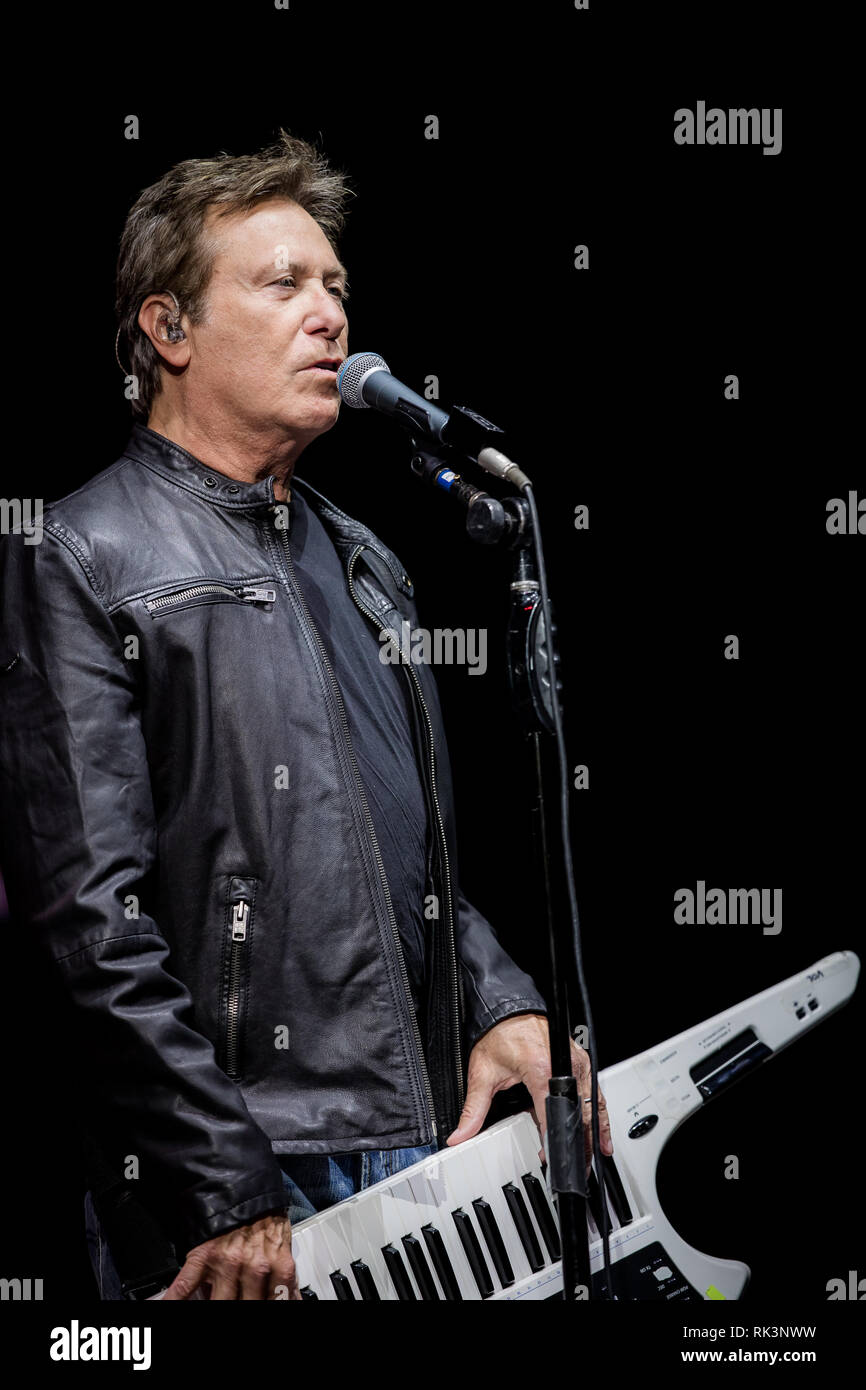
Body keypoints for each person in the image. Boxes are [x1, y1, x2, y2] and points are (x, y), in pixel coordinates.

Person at [0, 129, 612, 1301]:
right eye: (282, 283)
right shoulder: (79, 551)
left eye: (335, 286)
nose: (328, 313)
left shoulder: (365, 560)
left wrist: (499, 1002)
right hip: (242, 1170)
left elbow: (417, 853)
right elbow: (85, 922)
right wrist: (216, 1178)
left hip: (419, 1143)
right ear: (168, 332)